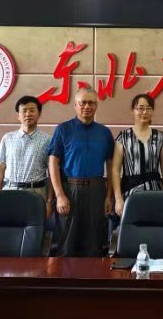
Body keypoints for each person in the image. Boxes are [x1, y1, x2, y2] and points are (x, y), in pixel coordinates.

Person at [47, 88, 114, 257]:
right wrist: (59, 195)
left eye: (91, 103)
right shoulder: (63, 129)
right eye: (83, 103)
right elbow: (53, 163)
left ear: (96, 106)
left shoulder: (104, 133)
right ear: (75, 105)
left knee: (95, 244)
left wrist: (108, 196)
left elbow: (111, 166)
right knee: (67, 243)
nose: (87, 106)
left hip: (97, 191)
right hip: (70, 190)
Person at [112, 93, 163, 218]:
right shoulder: (123, 137)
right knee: (132, 227)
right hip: (130, 193)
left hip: (155, 192)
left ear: (152, 111)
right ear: (133, 111)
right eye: (140, 108)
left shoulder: (159, 137)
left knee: (154, 226)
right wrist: (118, 199)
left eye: (148, 108)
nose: (144, 112)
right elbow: (115, 170)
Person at [0, 95, 53, 212]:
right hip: (9, 190)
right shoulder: (7, 138)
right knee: (7, 223)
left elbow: (52, 173)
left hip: (36, 193)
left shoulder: (48, 140)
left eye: (32, 110)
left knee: (34, 224)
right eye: (24, 111)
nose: (28, 114)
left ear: (39, 114)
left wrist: (50, 201)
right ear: (18, 116)